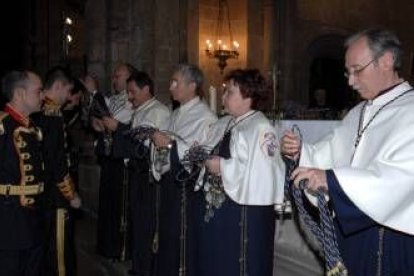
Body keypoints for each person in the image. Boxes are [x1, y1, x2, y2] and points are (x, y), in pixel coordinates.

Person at [281, 28, 414, 275]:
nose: (351, 81)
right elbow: (331, 152)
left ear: (386, 61)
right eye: (347, 72)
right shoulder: (358, 112)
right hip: (349, 229)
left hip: (391, 238)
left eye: (357, 70)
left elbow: (403, 176)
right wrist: (302, 152)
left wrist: (331, 180)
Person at [198, 69, 284, 276]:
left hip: (245, 213)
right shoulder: (233, 123)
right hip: (224, 206)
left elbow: (264, 174)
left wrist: (222, 167)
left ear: (248, 96)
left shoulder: (261, 127)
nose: (224, 96)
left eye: (230, 92)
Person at [102, 71, 170, 276]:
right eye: (128, 92)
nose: (129, 97)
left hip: (149, 176)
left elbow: (146, 144)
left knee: (147, 223)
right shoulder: (140, 110)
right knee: (137, 222)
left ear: (146, 89)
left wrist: (119, 128)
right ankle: (139, 266)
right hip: (136, 174)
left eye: (133, 92)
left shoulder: (158, 111)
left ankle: (148, 268)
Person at [152, 64, 217, 276]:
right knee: (167, 240)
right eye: (171, 81)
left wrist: (169, 144)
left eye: (175, 82)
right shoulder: (176, 113)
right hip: (170, 187)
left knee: (182, 243)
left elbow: (197, 152)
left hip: (186, 192)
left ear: (192, 86)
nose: (170, 86)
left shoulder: (205, 117)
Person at [31, 66, 81, 276]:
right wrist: (71, 195)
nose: (68, 96)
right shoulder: (53, 117)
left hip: (41, 195)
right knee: (59, 254)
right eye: (68, 90)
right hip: (55, 197)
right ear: (58, 86)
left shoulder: (39, 112)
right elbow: (58, 163)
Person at [0, 70, 45, 276]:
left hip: (32, 216)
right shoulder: (3, 126)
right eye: (38, 91)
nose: (43, 96)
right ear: (20, 94)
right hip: (8, 218)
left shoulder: (33, 127)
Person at [92, 63, 136, 260]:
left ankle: (118, 248)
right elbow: (101, 116)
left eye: (118, 76)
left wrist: (112, 124)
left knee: (119, 207)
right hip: (109, 157)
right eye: (114, 76)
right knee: (107, 204)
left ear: (129, 79)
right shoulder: (114, 99)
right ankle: (105, 245)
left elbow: (125, 125)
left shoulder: (131, 101)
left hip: (122, 161)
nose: (114, 79)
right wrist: (97, 123)